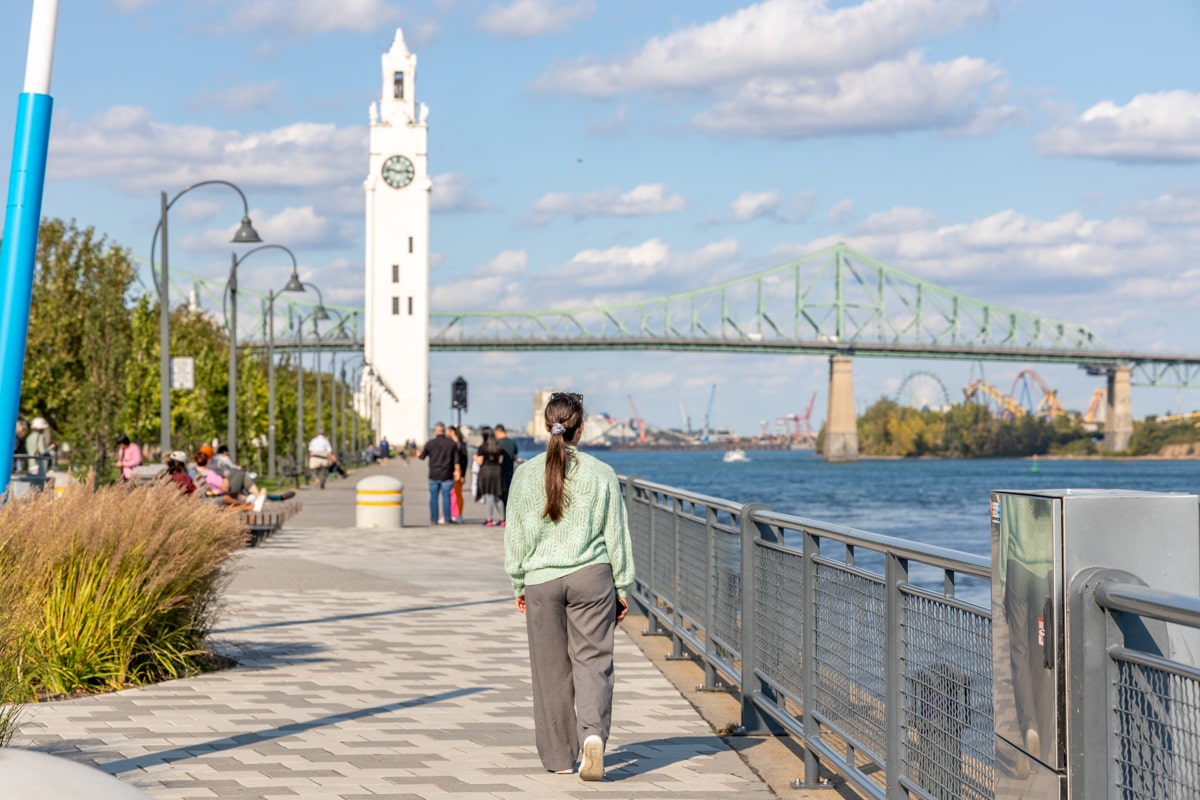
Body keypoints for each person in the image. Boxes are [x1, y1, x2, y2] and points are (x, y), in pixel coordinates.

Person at [503, 392, 635, 781]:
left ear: (547, 426)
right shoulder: (601, 473)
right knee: (593, 662)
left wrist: (519, 583)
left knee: (549, 670)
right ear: (581, 427)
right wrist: (622, 586)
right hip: (592, 577)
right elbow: (617, 535)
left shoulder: (526, 474)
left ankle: (560, 755)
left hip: (542, 579)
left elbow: (516, 537)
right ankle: (593, 738)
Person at [418, 423, 456, 524]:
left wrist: (418, 454)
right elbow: (456, 460)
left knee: (433, 497)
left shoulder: (430, 443)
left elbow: (422, 457)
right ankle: (447, 518)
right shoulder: (451, 443)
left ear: (436, 431)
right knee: (446, 496)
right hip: (447, 473)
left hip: (434, 474)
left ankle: (434, 519)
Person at [475, 427, 507, 526]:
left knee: (489, 495)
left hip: (486, 471)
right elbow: (500, 460)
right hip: (497, 471)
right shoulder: (499, 446)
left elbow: (480, 462)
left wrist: (475, 457)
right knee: (497, 496)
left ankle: (489, 519)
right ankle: (503, 519)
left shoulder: (483, 447)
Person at [447, 425, 468, 524]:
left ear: (452, 432)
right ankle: (451, 513)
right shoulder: (450, 443)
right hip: (449, 471)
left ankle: (458, 514)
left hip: (458, 472)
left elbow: (464, 460)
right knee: (450, 494)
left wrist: (462, 475)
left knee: (457, 494)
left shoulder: (460, 444)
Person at [495, 424, 519, 502]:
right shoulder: (512, 443)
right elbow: (516, 457)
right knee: (508, 496)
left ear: (498, 432)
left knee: (500, 497)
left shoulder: (496, 443)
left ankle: (503, 512)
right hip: (510, 472)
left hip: (499, 473)